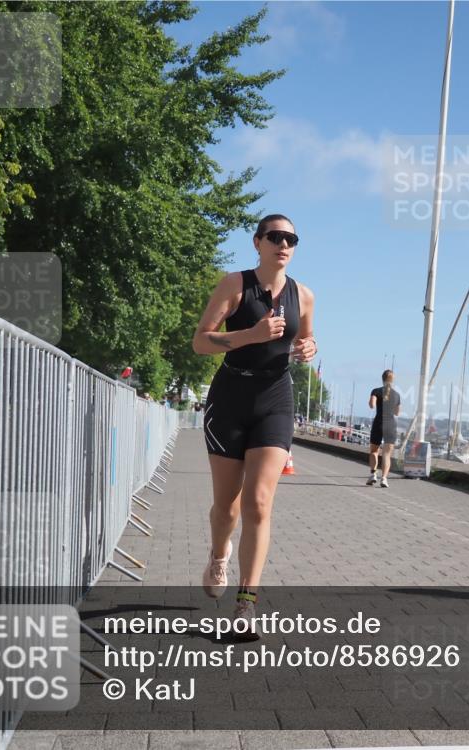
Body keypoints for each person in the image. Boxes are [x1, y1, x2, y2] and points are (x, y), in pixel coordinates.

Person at [191, 214, 316, 628]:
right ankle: (218, 553)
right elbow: (201, 341)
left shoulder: (304, 296)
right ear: (257, 242)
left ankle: (246, 603)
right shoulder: (234, 284)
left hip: (275, 399)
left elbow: (304, 340)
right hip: (230, 398)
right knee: (226, 507)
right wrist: (251, 335)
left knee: (258, 502)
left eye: (291, 239)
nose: (284, 244)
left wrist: (308, 349)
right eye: (276, 237)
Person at [366, 370, 400, 488]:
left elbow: (372, 405)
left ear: (382, 379)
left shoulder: (376, 391)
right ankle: (384, 479)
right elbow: (397, 413)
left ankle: (373, 474)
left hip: (379, 423)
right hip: (391, 425)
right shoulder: (397, 395)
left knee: (374, 451)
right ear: (392, 380)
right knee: (386, 454)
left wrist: (374, 400)